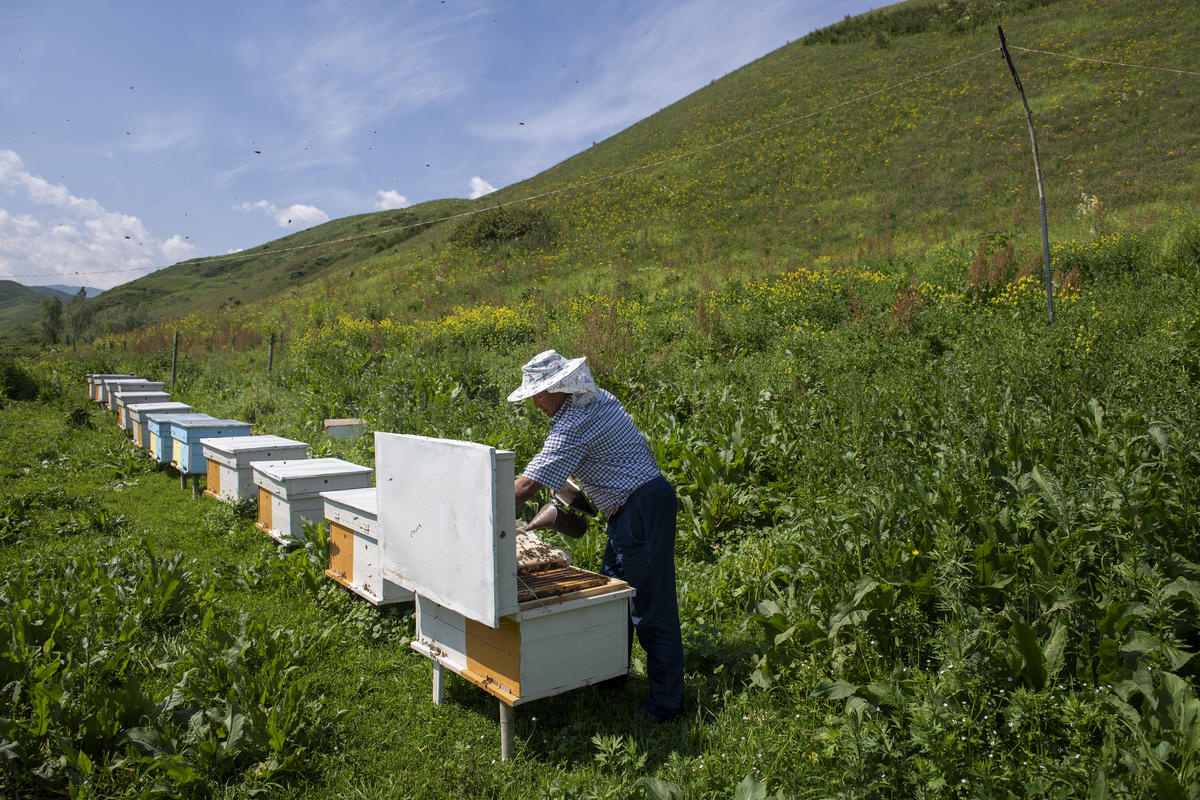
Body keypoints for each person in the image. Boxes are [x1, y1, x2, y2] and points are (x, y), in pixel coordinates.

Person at [509, 350, 684, 723]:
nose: (537, 402)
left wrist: (480, 505)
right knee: (613, 600)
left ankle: (665, 708)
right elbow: (593, 462)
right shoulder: (595, 397)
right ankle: (610, 677)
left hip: (640, 511)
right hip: (632, 510)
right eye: (533, 395)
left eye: (540, 393)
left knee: (653, 613)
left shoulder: (574, 422)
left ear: (561, 387)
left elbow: (524, 487)